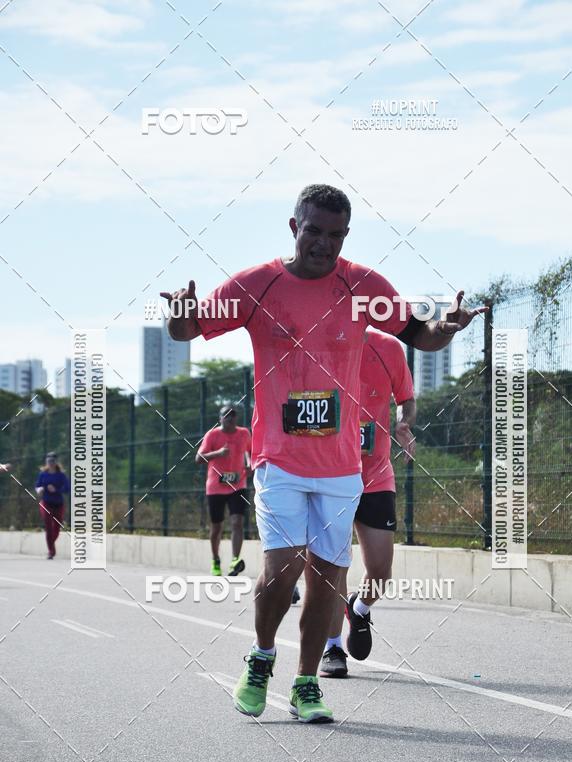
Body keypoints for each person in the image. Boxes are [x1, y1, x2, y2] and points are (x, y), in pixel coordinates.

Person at [161, 183, 484, 723]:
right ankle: (262, 657)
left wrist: (445, 330)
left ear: (345, 236)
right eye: (314, 231)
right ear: (294, 227)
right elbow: (187, 329)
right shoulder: (256, 285)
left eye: (335, 235)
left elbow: (419, 334)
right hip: (279, 459)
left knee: (328, 580)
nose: (324, 244)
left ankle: (306, 683)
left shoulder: (362, 286)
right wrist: (179, 314)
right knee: (282, 570)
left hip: (342, 467)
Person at [319, 329, 415, 677]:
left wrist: (404, 423)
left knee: (380, 571)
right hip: (330, 475)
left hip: (376, 475)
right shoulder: (320, 343)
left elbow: (406, 397)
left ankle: (358, 609)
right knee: (334, 563)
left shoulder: (388, 347)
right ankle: (332, 647)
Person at [197, 405, 252, 576]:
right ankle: (216, 560)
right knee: (217, 527)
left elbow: (251, 452)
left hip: (238, 484)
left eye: (233, 415)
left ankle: (235, 560)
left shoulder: (244, 433)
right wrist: (218, 453)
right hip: (216, 487)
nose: (230, 418)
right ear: (220, 418)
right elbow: (199, 458)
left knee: (237, 522)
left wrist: (250, 464)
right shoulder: (212, 435)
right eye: (226, 415)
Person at [34, 452, 70, 559]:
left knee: (56, 529)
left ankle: (51, 543)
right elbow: (37, 486)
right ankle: (51, 551)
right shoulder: (43, 474)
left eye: (52, 461)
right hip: (46, 503)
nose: (50, 463)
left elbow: (67, 488)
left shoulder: (61, 475)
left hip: (58, 504)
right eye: (48, 461)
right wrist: (39, 490)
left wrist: (56, 490)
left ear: (56, 462)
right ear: (46, 462)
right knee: (49, 528)